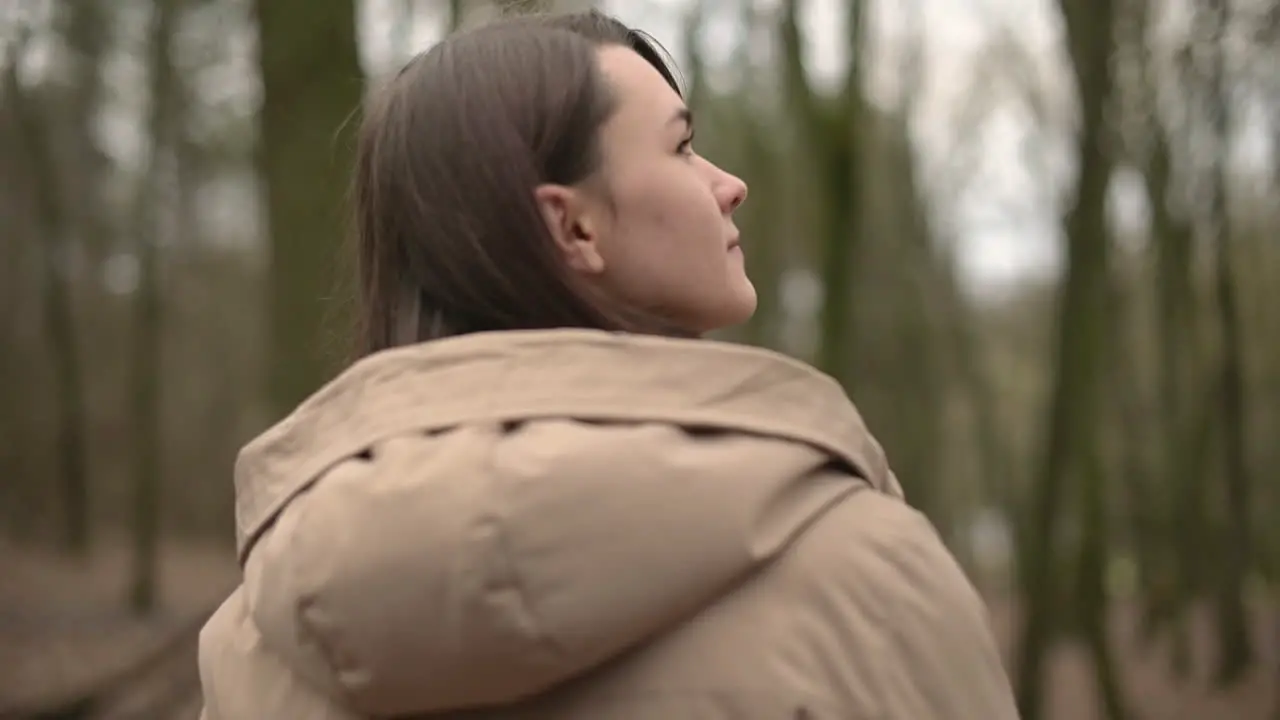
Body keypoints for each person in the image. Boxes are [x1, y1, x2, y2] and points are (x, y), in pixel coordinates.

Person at [197, 9, 1019, 720]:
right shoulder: (860, 579)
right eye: (684, 147)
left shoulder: (258, 643)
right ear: (575, 229)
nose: (729, 185)